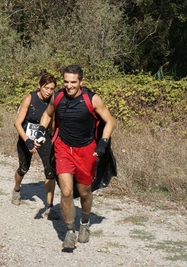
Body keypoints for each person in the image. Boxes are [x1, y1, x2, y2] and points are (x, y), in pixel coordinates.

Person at [35, 65, 115, 248]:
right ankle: (70, 232)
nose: (69, 86)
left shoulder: (92, 99)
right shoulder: (58, 96)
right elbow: (47, 115)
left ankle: (85, 222)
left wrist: (103, 142)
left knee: (85, 192)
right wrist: (41, 131)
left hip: (86, 150)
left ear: (81, 82)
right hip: (63, 148)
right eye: (66, 82)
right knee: (66, 192)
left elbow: (110, 120)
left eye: (73, 82)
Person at [12, 72, 60, 220]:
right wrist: (27, 141)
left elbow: (52, 122)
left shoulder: (53, 101)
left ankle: (49, 207)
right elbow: (17, 123)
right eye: (46, 88)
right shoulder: (29, 98)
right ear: (40, 86)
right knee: (23, 168)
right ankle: (17, 189)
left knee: (50, 170)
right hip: (26, 137)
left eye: (52, 89)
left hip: (44, 138)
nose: (49, 92)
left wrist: (52, 138)